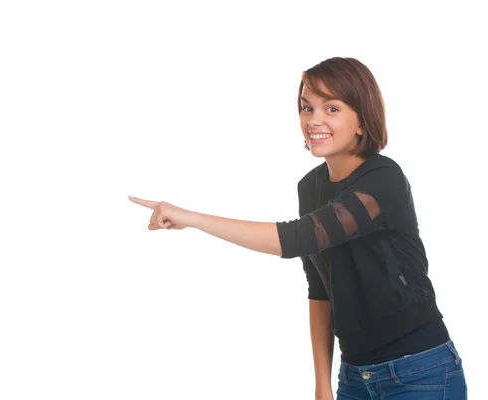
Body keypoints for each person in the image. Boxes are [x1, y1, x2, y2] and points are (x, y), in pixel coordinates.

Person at [128, 57, 468, 399]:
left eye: (332, 109)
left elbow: (297, 237)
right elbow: (321, 288)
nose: (314, 120)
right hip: (354, 377)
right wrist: (322, 383)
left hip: (419, 372)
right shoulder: (310, 187)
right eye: (307, 108)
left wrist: (193, 218)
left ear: (362, 121)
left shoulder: (383, 179)